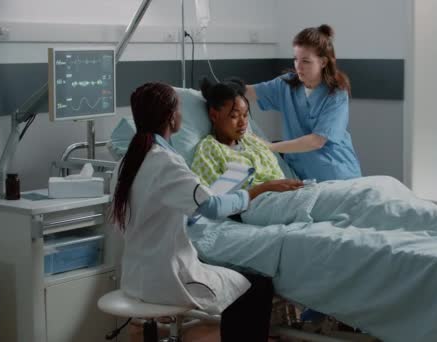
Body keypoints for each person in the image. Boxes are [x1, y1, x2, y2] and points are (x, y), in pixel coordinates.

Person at [109, 82, 302, 341]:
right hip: (168, 279)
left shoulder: (126, 162)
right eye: (179, 110)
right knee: (256, 286)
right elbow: (212, 206)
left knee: (247, 285)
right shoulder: (166, 163)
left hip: (136, 276)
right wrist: (256, 191)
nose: (182, 115)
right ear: (171, 117)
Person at [246, 24, 362, 182]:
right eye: (296, 59)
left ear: (322, 62)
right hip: (302, 177)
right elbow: (250, 92)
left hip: (337, 174)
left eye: (306, 61)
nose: (298, 67)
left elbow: (317, 141)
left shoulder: (336, 94)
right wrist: (222, 90)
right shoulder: (285, 85)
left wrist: (270, 147)